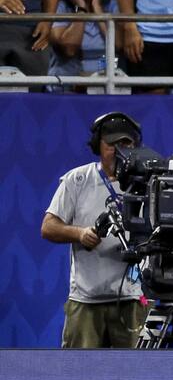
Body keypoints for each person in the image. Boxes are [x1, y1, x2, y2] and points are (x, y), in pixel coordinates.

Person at [42, 111, 146, 348]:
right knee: (78, 376)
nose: (120, 151)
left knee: (137, 375)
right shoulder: (77, 180)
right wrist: (79, 233)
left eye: (126, 144)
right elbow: (48, 227)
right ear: (97, 146)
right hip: (86, 299)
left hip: (132, 298)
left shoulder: (147, 181)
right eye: (112, 145)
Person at [48, 0, 120, 85]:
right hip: (67, 89)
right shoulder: (59, 8)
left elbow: (119, 46)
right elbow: (69, 50)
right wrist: (81, 9)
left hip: (108, 87)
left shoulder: (113, 5)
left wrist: (97, 9)